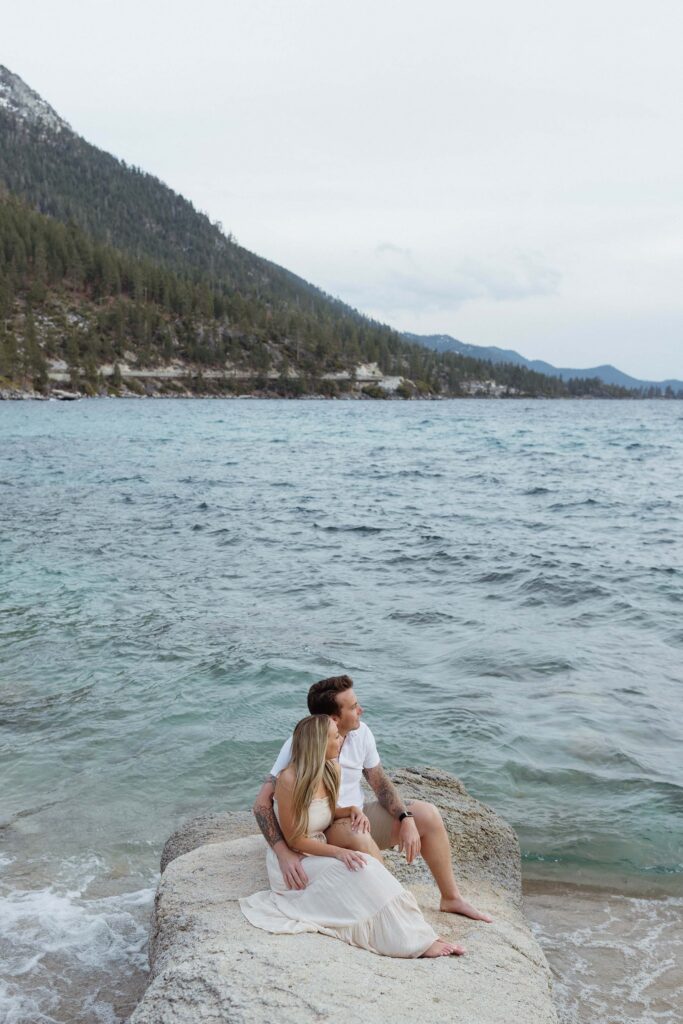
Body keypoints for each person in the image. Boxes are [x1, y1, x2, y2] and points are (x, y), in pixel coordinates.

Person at [252, 674, 492, 923]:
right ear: (334, 719)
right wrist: (283, 852)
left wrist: (405, 817)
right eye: (354, 707)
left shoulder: (361, 733)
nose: (361, 710)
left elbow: (381, 784)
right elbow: (261, 805)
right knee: (358, 835)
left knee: (427, 815)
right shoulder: (301, 743)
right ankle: (399, 910)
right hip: (324, 827)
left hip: (353, 812)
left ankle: (451, 898)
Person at [240, 715, 463, 957]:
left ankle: (419, 933)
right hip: (296, 858)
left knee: (366, 868)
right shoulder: (289, 780)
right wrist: (339, 852)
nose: (341, 740)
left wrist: (352, 810)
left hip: (320, 848)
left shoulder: (330, 768)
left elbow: (325, 811)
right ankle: (410, 942)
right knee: (362, 871)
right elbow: (294, 840)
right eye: (336, 737)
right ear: (319, 744)